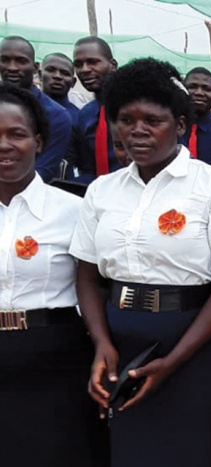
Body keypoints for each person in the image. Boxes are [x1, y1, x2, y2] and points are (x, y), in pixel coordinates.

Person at [69, 58, 211, 467]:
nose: (137, 130)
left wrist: (174, 360)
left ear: (182, 125)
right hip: (121, 348)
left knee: (196, 452)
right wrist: (101, 342)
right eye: (125, 119)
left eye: (153, 120)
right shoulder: (102, 191)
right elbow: (86, 274)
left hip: (195, 345)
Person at [0, 84, 107, 466]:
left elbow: (94, 287)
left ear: (39, 142)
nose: (5, 145)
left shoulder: (74, 211)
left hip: (56, 360)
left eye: (16, 134)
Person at [0, 36, 72, 183]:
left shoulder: (57, 116)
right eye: (5, 60)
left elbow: (42, 172)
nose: (12, 67)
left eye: (21, 61)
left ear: (35, 68)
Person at [67, 36, 119, 183]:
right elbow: (88, 168)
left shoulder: (136, 106)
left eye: (93, 62)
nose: (84, 70)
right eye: (78, 64)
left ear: (112, 65)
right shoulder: (84, 115)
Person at [39, 52, 80, 122]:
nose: (57, 76)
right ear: (40, 75)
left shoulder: (79, 118)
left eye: (65, 73)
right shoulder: (24, 108)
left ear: (73, 82)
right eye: (50, 70)